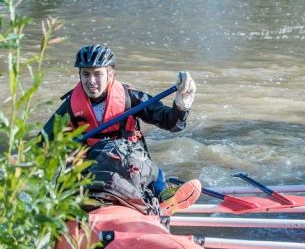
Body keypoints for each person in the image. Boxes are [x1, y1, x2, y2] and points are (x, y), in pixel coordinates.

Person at [42, 44, 200, 215]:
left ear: (110, 73)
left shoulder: (130, 98)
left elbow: (172, 124)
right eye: (85, 74)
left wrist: (181, 105)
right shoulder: (69, 107)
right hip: (91, 167)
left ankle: (164, 197)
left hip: (129, 163)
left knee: (152, 170)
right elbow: (42, 143)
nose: (91, 81)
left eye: (97, 74)